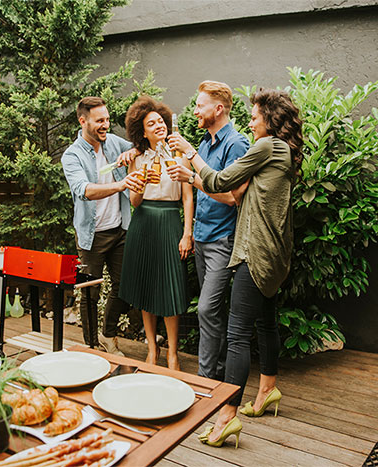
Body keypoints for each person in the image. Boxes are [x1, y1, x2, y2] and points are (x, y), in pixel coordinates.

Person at [170, 89, 303, 448]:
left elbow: (219, 183)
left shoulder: (267, 146)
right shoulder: (284, 151)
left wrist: (191, 154)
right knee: (266, 322)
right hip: (276, 253)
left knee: (238, 334)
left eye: (255, 115)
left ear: (270, 119)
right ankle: (267, 392)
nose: (250, 120)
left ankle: (226, 416)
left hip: (254, 251)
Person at [166, 81, 249, 381]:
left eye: (200, 105)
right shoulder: (203, 143)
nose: (195, 110)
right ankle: (219, 372)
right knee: (211, 313)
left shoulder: (236, 144)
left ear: (219, 108)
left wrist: (193, 177)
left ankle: (204, 379)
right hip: (202, 238)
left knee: (205, 309)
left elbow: (232, 197)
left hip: (222, 240)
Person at [61, 97, 143, 356]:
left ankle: (108, 335)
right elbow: (83, 190)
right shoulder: (72, 155)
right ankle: (91, 347)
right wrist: (121, 185)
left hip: (120, 230)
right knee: (89, 294)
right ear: (83, 121)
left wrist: (134, 152)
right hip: (92, 235)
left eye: (107, 119)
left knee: (125, 287)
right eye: (99, 121)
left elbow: (144, 146)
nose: (105, 125)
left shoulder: (114, 143)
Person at [119, 96, 194, 371]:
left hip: (170, 221)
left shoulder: (180, 155)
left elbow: (188, 197)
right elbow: (134, 202)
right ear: (143, 131)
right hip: (143, 224)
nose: (158, 125)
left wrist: (187, 233)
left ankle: (173, 353)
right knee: (146, 287)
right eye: (151, 123)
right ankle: (152, 348)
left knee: (171, 290)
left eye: (160, 121)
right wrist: (139, 182)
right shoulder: (136, 158)